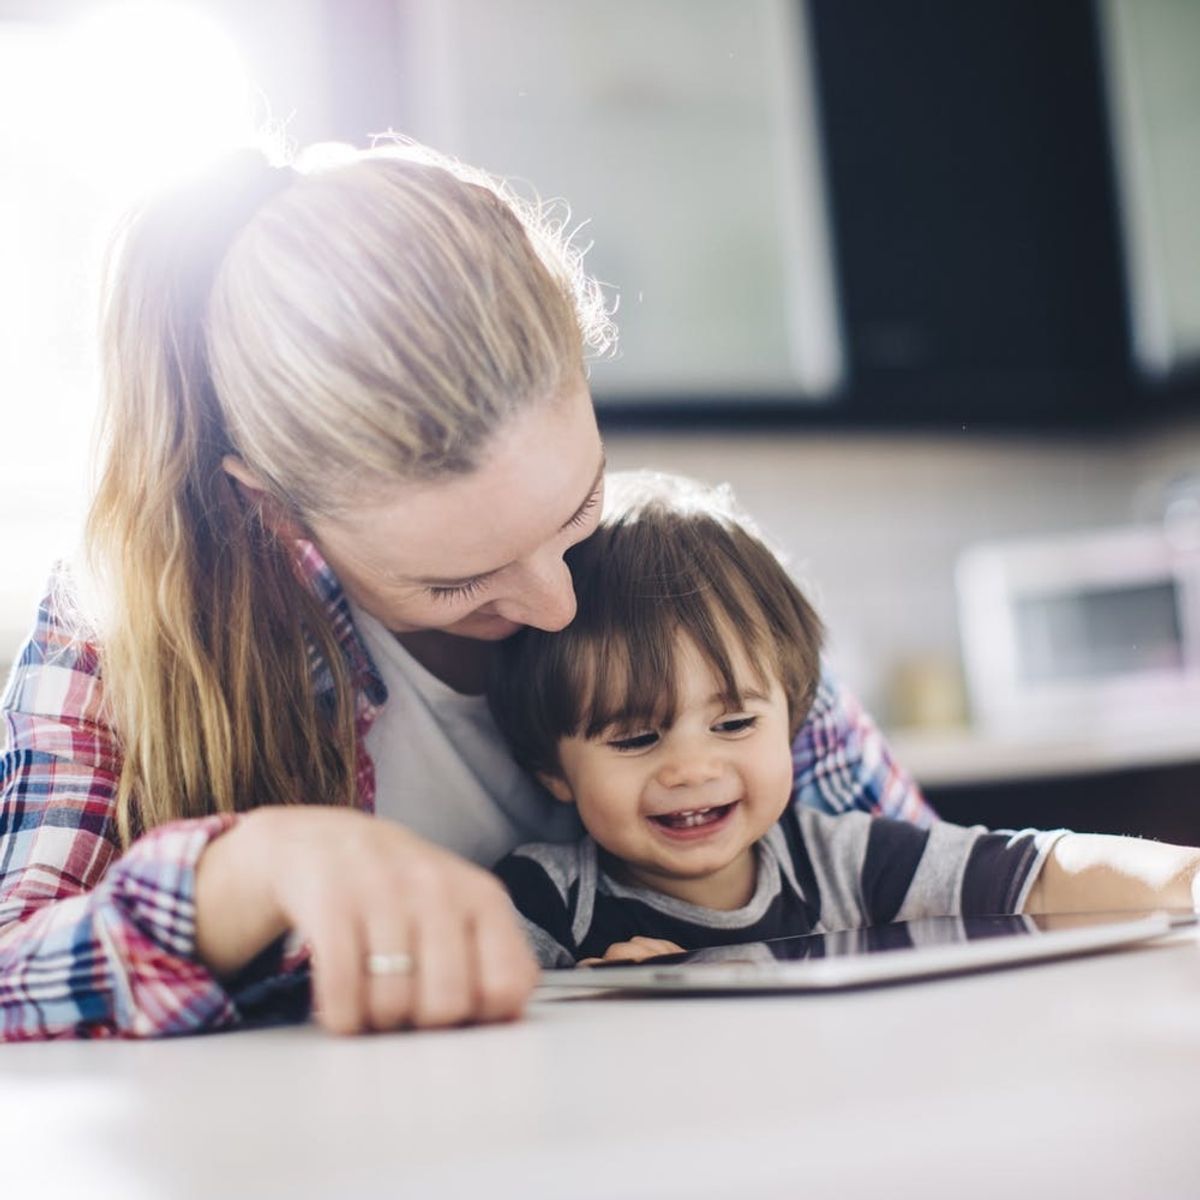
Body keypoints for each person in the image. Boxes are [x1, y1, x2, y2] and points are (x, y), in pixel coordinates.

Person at [0, 141, 929, 1042]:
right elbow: (13, 977)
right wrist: (248, 873)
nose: (559, 604)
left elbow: (930, 884)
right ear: (279, 511)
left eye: (579, 507)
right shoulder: (121, 635)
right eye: (458, 582)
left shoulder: (676, 583)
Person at [488, 473, 1200, 968]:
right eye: (638, 738)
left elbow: (1040, 873)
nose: (693, 769)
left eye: (735, 724)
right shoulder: (547, 900)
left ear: (794, 717)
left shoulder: (841, 859)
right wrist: (583, 992)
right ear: (552, 766)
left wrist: (1186, 878)